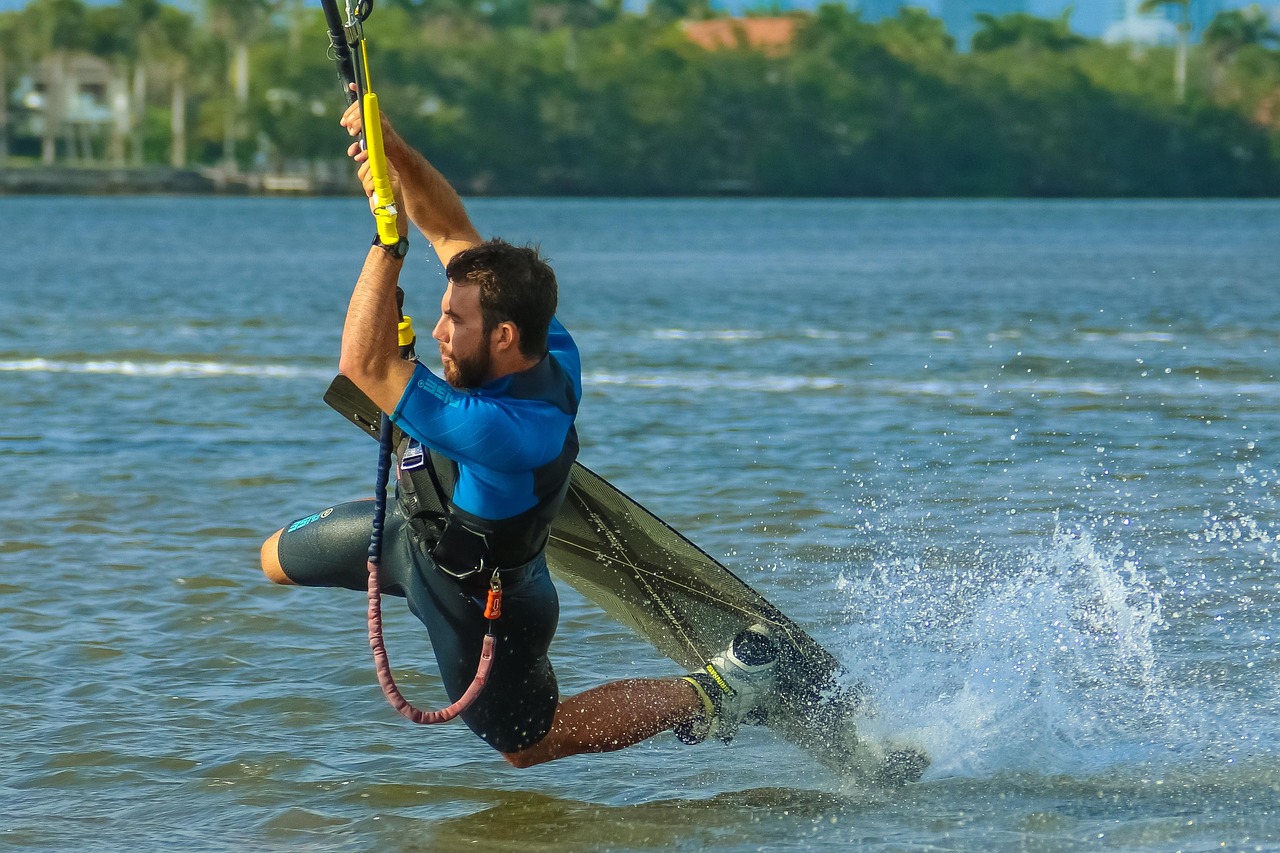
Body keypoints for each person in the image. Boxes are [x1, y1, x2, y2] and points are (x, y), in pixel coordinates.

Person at [258, 100, 778, 767]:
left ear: (502, 336)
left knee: (528, 747)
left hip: (483, 607)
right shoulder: (549, 343)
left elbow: (364, 367)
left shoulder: (505, 432)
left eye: (454, 322)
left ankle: (714, 691)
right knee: (271, 559)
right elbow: (450, 228)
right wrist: (393, 151)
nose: (440, 332)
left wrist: (387, 246)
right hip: (409, 536)